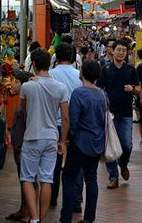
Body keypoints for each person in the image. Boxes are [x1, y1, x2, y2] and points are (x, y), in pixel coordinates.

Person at [20, 49, 69, 223]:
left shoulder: (27, 86)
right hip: (51, 137)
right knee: (46, 179)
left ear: (33, 64)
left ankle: (33, 218)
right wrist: (62, 141)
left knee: (27, 178)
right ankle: (42, 217)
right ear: (50, 64)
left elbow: (22, 110)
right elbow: (65, 117)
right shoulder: (60, 88)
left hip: (32, 136)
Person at [60, 60, 106, 223]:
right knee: (91, 179)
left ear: (82, 73)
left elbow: (72, 120)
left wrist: (66, 140)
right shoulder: (101, 94)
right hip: (97, 142)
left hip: (79, 142)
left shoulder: (79, 93)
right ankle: (89, 218)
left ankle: (65, 218)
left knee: (69, 178)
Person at [97, 40, 140, 189]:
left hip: (126, 113)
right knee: (110, 146)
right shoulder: (106, 69)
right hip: (110, 114)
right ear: (112, 51)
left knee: (127, 145)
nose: (121, 53)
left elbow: (139, 89)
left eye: (124, 50)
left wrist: (132, 88)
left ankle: (123, 164)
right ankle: (113, 177)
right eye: (118, 50)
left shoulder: (130, 70)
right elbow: (99, 88)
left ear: (127, 53)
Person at [49, 43, 84, 209]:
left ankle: (52, 197)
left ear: (56, 56)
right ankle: (76, 200)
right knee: (75, 164)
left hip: (54, 123)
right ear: (72, 57)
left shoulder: (49, 74)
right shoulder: (79, 75)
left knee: (53, 164)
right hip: (76, 124)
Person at [6, 71, 35, 222]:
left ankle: (31, 212)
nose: (13, 84)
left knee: (28, 180)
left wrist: (23, 147)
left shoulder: (28, 103)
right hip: (19, 147)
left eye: (16, 81)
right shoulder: (22, 101)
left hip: (24, 148)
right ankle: (24, 209)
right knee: (23, 179)